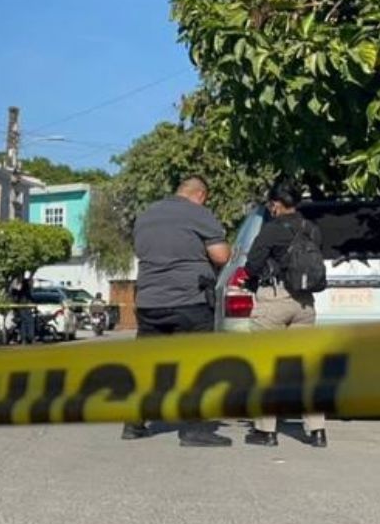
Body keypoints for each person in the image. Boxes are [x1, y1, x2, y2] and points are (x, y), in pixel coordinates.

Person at [122, 176, 232, 445]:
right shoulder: (198, 213)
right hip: (189, 300)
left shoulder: (146, 216)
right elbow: (221, 256)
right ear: (200, 195)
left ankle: (133, 424)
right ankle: (194, 430)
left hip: (149, 301)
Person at [240, 181, 328, 448]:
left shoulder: (271, 229)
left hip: (275, 300)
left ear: (276, 204)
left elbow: (252, 265)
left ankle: (266, 432)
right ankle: (318, 430)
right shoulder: (312, 229)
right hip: (304, 304)